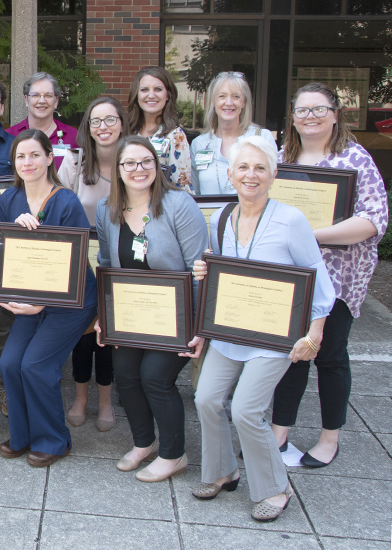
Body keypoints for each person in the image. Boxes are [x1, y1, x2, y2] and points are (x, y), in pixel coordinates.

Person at [190, 135, 335, 522]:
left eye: (259, 168)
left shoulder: (291, 219)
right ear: (229, 174)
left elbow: (318, 278)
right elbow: (219, 272)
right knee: (205, 398)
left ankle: (275, 487)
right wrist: (205, 268)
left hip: (275, 335)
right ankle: (222, 471)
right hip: (231, 329)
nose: (250, 175)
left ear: (273, 174)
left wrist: (315, 333)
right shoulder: (221, 216)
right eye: (242, 167)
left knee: (246, 409)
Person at [270, 82, 389, 468]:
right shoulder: (280, 156)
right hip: (287, 277)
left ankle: (329, 437)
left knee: (330, 356)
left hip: (337, 278)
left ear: (335, 115)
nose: (310, 117)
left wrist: (309, 236)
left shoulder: (354, 158)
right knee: (292, 355)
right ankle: (279, 432)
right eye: (302, 111)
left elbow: (374, 220)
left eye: (319, 110)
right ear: (293, 118)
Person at [94, 135, 207, 481]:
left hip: (175, 316)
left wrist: (199, 327)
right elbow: (104, 264)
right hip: (130, 313)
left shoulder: (178, 204)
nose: (138, 169)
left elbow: (200, 269)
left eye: (146, 162)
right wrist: (104, 317)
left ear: (157, 167)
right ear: (118, 169)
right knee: (125, 374)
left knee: (154, 377)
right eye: (129, 163)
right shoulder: (106, 209)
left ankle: (175, 454)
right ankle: (145, 442)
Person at [0, 129, 97, 467]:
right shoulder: (9, 200)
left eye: (35, 155)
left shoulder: (66, 201)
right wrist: (4, 298)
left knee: (36, 365)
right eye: (21, 156)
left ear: (49, 158)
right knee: (10, 363)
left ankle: (54, 440)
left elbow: (75, 261)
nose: (28, 162)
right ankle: (24, 436)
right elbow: (1, 253)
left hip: (71, 299)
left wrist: (43, 302)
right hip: (29, 299)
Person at [57, 96, 128, 431]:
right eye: (96, 121)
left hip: (121, 262)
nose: (103, 127)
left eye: (110, 120)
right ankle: (81, 398)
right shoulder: (73, 163)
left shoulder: (134, 162)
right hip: (81, 263)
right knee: (85, 334)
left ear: (122, 124)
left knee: (110, 334)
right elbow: (56, 206)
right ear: (87, 127)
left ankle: (105, 401)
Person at [190, 72, 275, 195]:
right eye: (222, 96)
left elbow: (273, 187)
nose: (229, 102)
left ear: (244, 102)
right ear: (213, 101)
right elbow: (195, 191)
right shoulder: (199, 144)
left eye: (236, 96)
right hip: (209, 214)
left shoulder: (262, 137)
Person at [126, 67, 192, 192]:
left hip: (164, 209)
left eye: (158, 89)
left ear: (168, 95)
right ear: (136, 95)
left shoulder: (176, 136)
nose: (151, 95)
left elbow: (182, 189)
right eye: (144, 89)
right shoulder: (128, 133)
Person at [5, 72, 77, 170]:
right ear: (26, 100)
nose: (42, 101)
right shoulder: (9, 136)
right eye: (35, 95)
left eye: (48, 95)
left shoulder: (73, 137)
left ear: (56, 101)